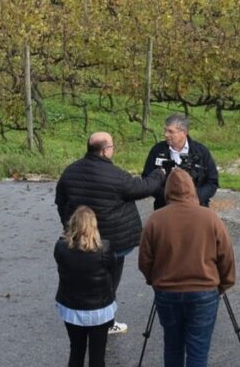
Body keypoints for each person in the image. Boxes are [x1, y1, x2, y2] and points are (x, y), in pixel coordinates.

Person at [56, 132, 167, 334]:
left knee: (82, 277)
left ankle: (81, 316)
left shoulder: (70, 171)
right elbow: (142, 188)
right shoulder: (115, 175)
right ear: (106, 150)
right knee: (109, 280)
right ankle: (106, 321)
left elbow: (60, 201)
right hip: (113, 241)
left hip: (79, 238)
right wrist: (159, 174)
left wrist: (68, 225)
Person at [139, 168, 236, 367]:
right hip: (204, 291)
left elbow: (145, 260)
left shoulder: (156, 219)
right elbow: (226, 257)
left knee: (173, 346)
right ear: (192, 188)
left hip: (167, 291)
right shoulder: (210, 218)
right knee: (198, 348)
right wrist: (223, 285)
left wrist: (155, 280)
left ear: (167, 191)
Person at [54, 206, 117, 367]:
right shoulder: (104, 249)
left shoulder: (61, 248)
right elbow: (113, 267)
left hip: (71, 308)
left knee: (76, 350)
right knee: (97, 355)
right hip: (99, 309)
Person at [142, 113, 219, 208]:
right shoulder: (157, 151)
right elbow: (147, 179)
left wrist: (195, 198)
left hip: (197, 209)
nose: (166, 135)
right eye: (165, 130)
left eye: (170, 131)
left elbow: (212, 181)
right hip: (165, 209)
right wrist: (168, 197)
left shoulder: (201, 152)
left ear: (184, 132)